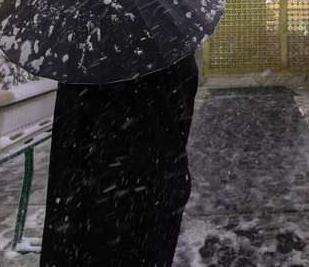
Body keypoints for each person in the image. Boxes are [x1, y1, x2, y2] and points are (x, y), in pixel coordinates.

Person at [40, 54, 199, 267]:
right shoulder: (173, 49)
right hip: (158, 180)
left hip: (101, 189)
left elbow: (70, 137)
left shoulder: (87, 56)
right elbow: (182, 114)